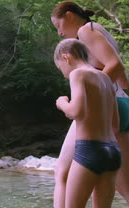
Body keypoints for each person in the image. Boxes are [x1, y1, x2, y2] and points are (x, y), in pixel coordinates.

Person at [51, 1, 129, 208]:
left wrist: (94, 93)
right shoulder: (99, 29)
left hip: (110, 104)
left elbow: (116, 65)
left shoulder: (86, 30)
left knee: (62, 172)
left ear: (69, 16)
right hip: (125, 105)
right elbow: (124, 81)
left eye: (58, 26)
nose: (59, 33)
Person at [54, 38, 121, 208]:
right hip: (113, 152)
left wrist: (62, 102)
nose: (63, 74)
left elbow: (76, 112)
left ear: (66, 58)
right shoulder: (106, 79)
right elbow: (115, 124)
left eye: (60, 68)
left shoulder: (78, 74)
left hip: (90, 151)